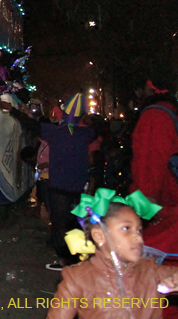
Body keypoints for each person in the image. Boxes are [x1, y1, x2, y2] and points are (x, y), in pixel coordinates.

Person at [47, 189, 178, 319]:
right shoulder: (77, 278)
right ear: (99, 235)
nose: (138, 237)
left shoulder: (152, 272)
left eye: (139, 230)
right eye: (126, 228)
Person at [3, 92, 95, 270]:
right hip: (78, 187)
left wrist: (13, 110)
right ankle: (77, 259)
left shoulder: (54, 132)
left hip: (59, 187)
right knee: (74, 222)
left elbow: (32, 125)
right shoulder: (86, 134)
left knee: (59, 224)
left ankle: (64, 260)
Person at [130, 74, 178, 261]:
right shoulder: (170, 111)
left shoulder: (154, 116)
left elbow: (149, 164)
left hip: (165, 210)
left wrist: (144, 207)